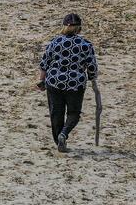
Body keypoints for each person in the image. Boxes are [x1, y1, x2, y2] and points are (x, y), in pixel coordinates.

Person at [37, 13, 98, 152]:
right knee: (74, 113)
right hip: (75, 84)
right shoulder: (86, 45)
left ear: (64, 26)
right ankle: (64, 134)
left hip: (54, 81)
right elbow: (92, 66)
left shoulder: (55, 42)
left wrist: (41, 80)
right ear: (79, 28)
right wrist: (92, 78)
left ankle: (58, 139)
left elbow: (44, 63)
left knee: (56, 113)